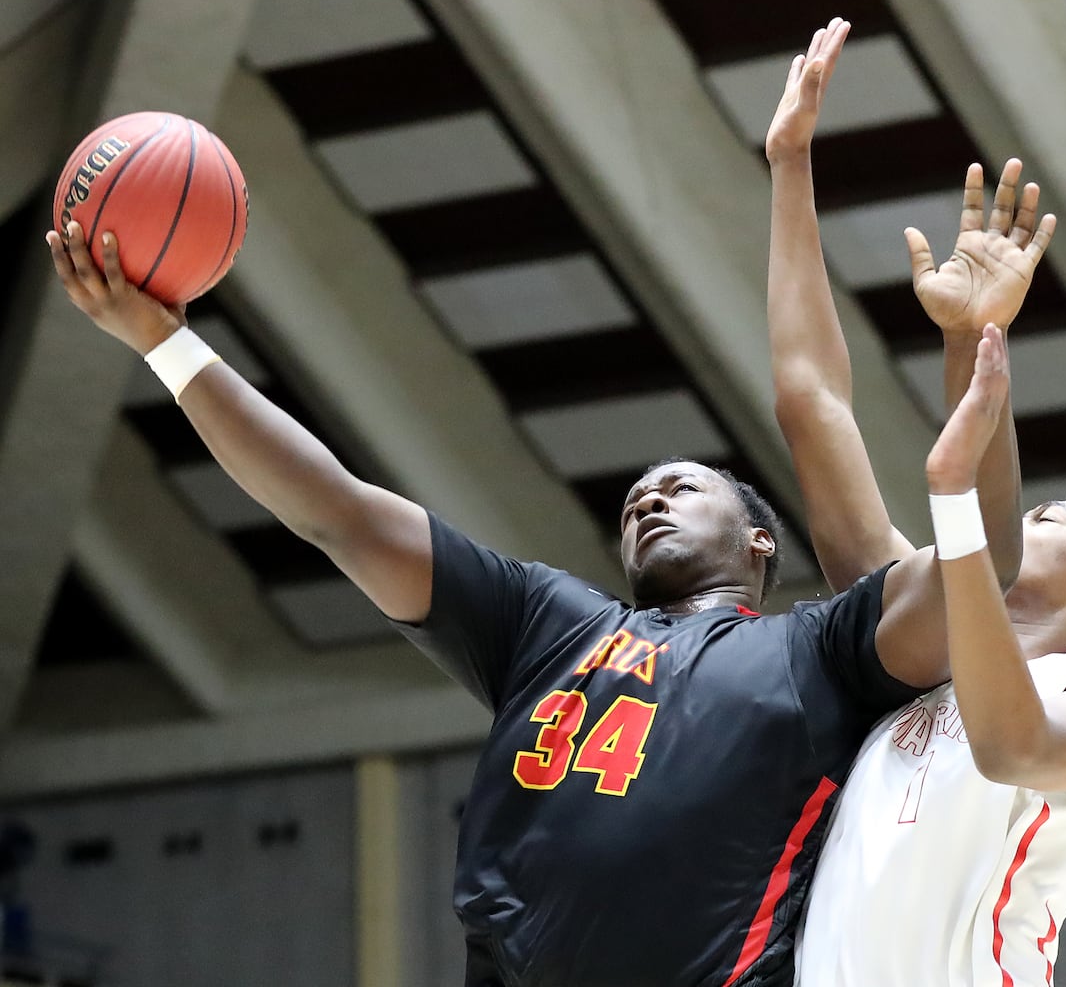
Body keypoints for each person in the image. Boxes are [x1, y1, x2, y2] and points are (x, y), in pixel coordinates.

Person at [47, 204, 1009, 982]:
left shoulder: (818, 652)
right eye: (637, 495)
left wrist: (977, 356)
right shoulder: (546, 623)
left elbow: (984, 573)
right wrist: (167, 347)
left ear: (761, 537)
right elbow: (337, 512)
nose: (648, 495)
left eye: (683, 486)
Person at [764, 19, 1066, 985]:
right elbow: (811, 407)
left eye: (1047, 519)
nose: (1020, 522)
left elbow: (1014, 747)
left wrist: (955, 493)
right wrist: (788, 169)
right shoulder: (918, 648)